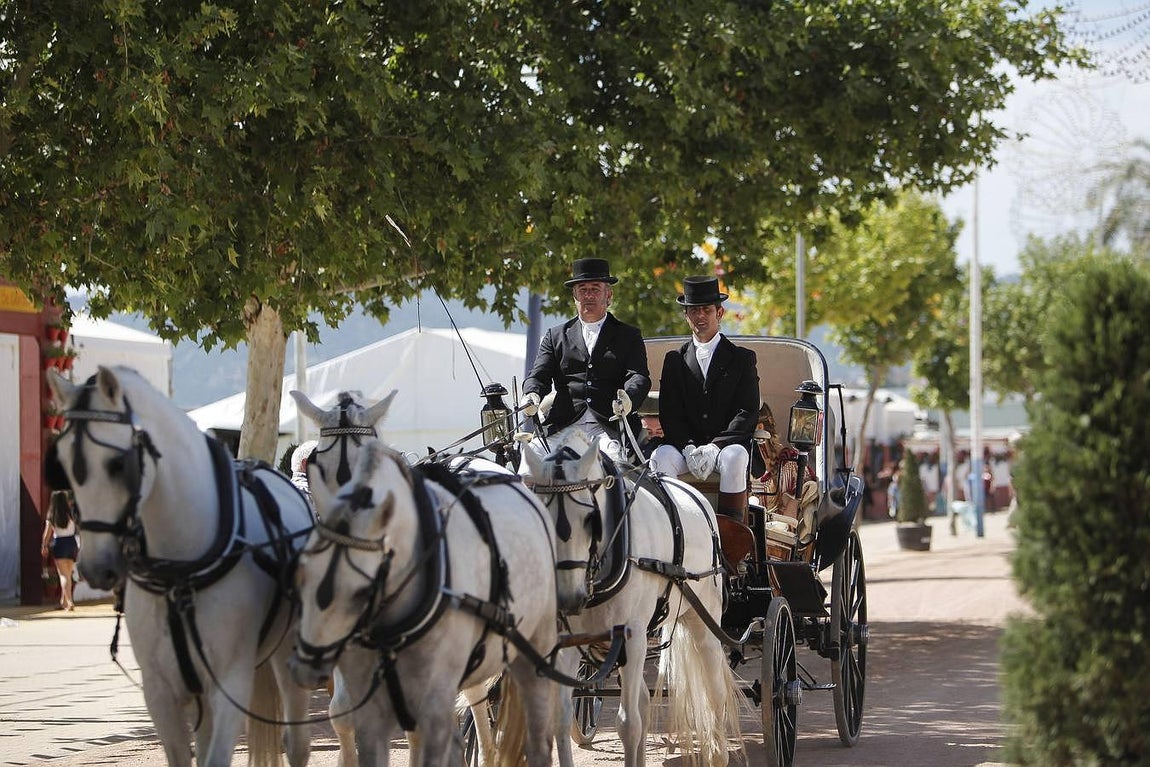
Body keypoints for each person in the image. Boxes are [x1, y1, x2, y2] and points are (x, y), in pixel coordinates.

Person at [650, 276, 760, 519]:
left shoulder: (742, 358)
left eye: (706, 310)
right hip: (686, 448)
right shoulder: (674, 360)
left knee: (736, 456)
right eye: (694, 311)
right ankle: (672, 525)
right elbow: (670, 413)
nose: (701, 316)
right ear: (686, 316)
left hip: (724, 447)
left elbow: (747, 412)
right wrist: (687, 446)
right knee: (660, 457)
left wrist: (714, 447)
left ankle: (731, 533)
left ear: (719, 313)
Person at [522, 257, 650, 462]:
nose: (588, 295)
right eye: (582, 289)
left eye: (595, 289)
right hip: (564, 427)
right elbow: (539, 375)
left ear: (609, 295)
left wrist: (628, 398)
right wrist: (531, 393)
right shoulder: (555, 336)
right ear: (574, 296)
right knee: (531, 456)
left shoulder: (628, 335)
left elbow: (639, 376)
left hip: (608, 429)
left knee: (614, 466)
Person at [41, 490, 79, 611]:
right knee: (69, 574)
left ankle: (69, 601)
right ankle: (63, 601)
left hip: (60, 543)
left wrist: (44, 545)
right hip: (72, 542)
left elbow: (47, 534)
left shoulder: (52, 514)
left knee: (63, 575)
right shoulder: (71, 513)